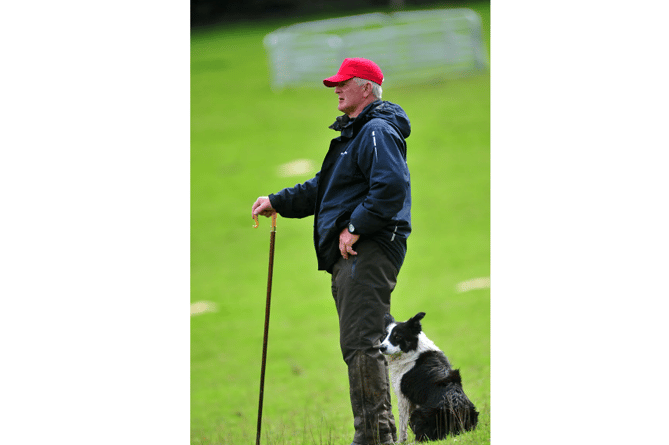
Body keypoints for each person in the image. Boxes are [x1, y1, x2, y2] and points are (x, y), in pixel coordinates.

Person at [252, 57, 411, 445]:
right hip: (355, 254)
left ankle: (373, 438)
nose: (336, 89)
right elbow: (323, 187)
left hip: (369, 250)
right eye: (335, 84)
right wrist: (278, 201)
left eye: (344, 83)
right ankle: (382, 434)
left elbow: (391, 187)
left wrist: (356, 226)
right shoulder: (354, 136)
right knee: (361, 341)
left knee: (360, 343)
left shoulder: (375, 130)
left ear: (366, 88)